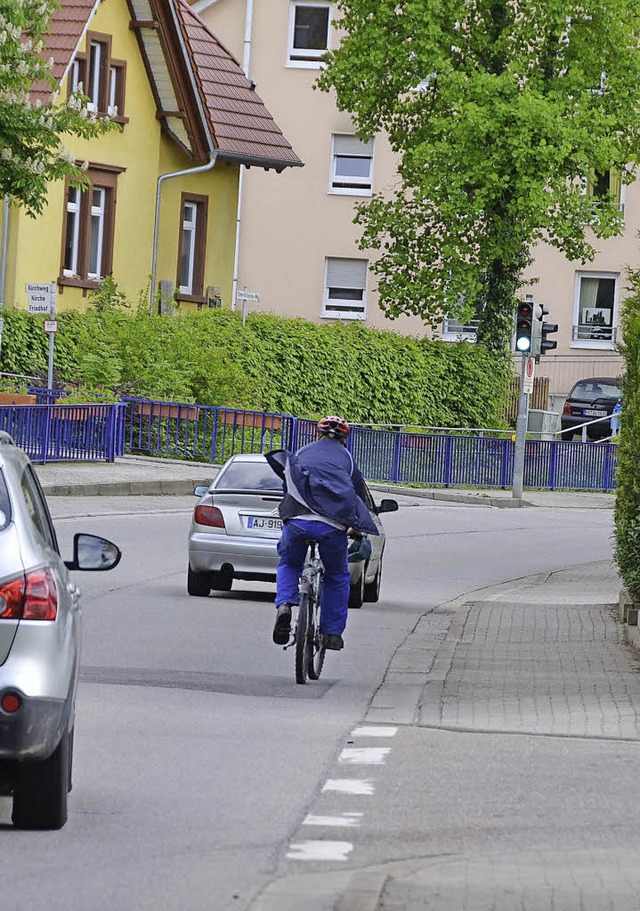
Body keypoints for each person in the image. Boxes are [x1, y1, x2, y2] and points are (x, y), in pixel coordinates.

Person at [265, 416, 378, 651]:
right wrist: (356, 527)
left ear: (317, 434)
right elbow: (357, 495)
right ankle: (332, 633)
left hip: (296, 521)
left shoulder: (303, 452)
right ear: (344, 440)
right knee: (337, 576)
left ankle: (285, 604)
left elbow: (290, 483)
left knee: (289, 563)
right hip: (331, 526)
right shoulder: (347, 460)